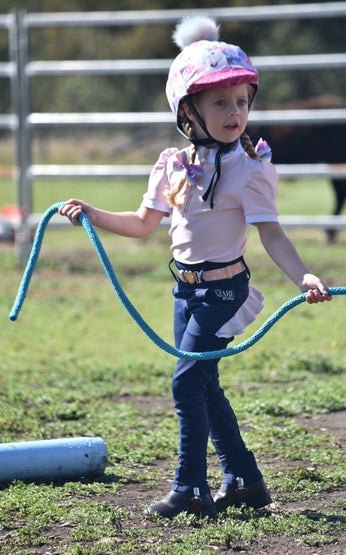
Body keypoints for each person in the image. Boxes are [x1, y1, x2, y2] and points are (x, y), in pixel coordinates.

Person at [59, 16, 332, 519]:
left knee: (187, 382)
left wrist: (304, 276)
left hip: (224, 292)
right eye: (220, 102)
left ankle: (190, 488)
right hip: (185, 291)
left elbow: (271, 232)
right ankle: (245, 480)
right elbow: (143, 224)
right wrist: (92, 213)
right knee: (204, 382)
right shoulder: (172, 165)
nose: (235, 112)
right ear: (188, 111)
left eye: (242, 102)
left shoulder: (252, 167)